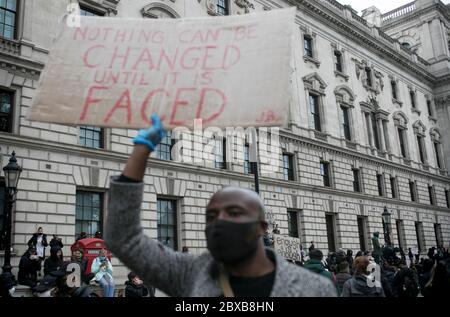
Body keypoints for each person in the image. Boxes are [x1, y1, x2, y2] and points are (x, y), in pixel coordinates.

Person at [104, 114, 337, 297]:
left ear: (262, 227)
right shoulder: (191, 274)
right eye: (212, 215)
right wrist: (141, 149)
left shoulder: (314, 289)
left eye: (234, 212)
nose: (220, 221)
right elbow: (124, 239)